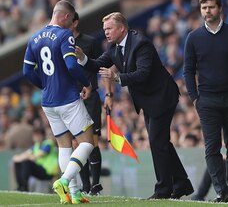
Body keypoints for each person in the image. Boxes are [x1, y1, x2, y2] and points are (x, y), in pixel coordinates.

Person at [76, 12, 194, 199]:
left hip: (162, 96)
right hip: (148, 100)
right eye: (104, 29)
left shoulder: (141, 44)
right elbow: (97, 64)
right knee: (161, 142)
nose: (105, 32)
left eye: (109, 28)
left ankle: (163, 190)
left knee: (157, 142)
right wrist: (82, 58)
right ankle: (182, 183)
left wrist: (117, 77)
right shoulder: (114, 48)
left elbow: (143, 73)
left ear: (122, 28)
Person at [183, 0, 228, 203]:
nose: (207, 11)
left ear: (220, 8)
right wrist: (195, 97)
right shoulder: (193, 37)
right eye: (204, 7)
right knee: (212, 148)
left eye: (211, 7)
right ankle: (221, 192)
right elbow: (188, 70)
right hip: (207, 101)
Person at [22, 0, 94, 204]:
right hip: (67, 98)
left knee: (64, 147)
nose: (72, 24)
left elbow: (27, 71)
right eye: (71, 20)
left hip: (48, 102)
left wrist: (45, 85)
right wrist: (86, 83)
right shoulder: (64, 35)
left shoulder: (34, 38)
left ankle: (73, 194)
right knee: (87, 142)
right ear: (64, 16)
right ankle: (63, 180)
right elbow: (71, 66)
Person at [70, 12, 104, 195]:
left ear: (75, 22)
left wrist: (109, 93)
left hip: (90, 98)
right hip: (71, 99)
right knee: (77, 144)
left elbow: (102, 66)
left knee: (92, 142)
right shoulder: (60, 44)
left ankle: (96, 185)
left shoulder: (90, 42)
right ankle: (84, 186)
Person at [12, 128, 59, 192]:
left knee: (26, 162)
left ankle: (25, 187)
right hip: (41, 171)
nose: (37, 137)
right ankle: (20, 186)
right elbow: (19, 157)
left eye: (39, 135)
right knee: (19, 162)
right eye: (35, 135)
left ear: (43, 136)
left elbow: (34, 157)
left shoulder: (48, 144)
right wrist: (19, 158)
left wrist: (22, 157)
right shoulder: (35, 146)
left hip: (49, 173)